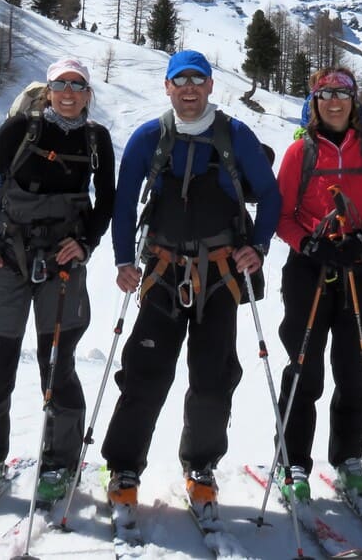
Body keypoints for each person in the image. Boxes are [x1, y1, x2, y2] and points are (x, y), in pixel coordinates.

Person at [100, 49, 280, 515]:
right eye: (180, 80)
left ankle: (200, 466)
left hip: (220, 275)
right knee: (145, 373)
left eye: (198, 79)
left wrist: (257, 247)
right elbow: (123, 205)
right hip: (161, 273)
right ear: (167, 87)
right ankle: (123, 466)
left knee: (213, 377)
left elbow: (272, 197)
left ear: (210, 87)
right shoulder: (149, 138)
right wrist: (123, 260)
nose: (189, 88)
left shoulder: (235, 136)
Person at [0, 58, 115, 507]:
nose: (69, 93)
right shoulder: (20, 130)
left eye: (78, 86)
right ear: (48, 91)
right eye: (60, 85)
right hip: (6, 260)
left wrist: (85, 243)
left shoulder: (95, 140)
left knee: (58, 365)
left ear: (88, 94)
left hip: (62, 266)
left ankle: (59, 463)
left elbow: (105, 201)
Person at [273, 67, 362, 503]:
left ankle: (349, 458)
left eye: (342, 94)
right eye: (325, 94)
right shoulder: (299, 153)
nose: (334, 101)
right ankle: (293, 462)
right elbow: (281, 217)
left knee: (356, 365)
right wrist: (307, 244)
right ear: (315, 103)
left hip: (360, 268)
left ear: (353, 101)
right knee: (304, 365)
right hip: (309, 269)